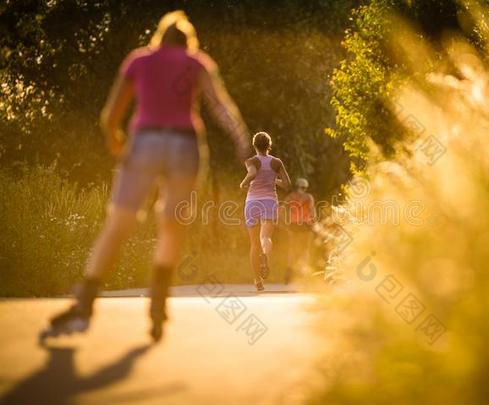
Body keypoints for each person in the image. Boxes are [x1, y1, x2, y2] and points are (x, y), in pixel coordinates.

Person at [40, 11, 250, 343]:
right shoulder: (198, 64)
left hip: (145, 142)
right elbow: (221, 106)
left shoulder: (139, 61)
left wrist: (115, 140)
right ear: (188, 42)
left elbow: (111, 114)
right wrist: (242, 140)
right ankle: (157, 305)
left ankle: (84, 303)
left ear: (159, 38)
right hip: (185, 145)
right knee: (171, 225)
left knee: (119, 222)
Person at [240, 132, 291, 291]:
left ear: (254, 145)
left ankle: (257, 281)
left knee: (254, 243)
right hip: (269, 201)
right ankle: (266, 257)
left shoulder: (251, 161)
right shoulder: (276, 162)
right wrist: (273, 179)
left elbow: (253, 173)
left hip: (252, 202)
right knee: (265, 237)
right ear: (269, 145)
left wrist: (244, 183)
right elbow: (287, 184)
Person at [283, 178, 316, 283]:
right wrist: (314, 224)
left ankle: (289, 271)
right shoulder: (308, 197)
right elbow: (312, 212)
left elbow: (283, 209)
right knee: (305, 250)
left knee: (292, 249)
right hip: (305, 225)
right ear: (305, 187)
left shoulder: (290, 197)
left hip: (293, 225)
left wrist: (286, 222)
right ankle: (303, 273)